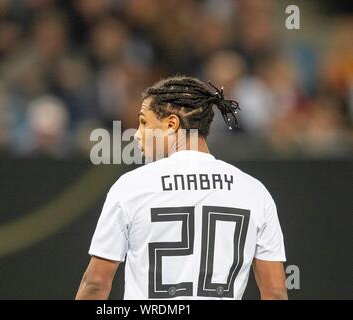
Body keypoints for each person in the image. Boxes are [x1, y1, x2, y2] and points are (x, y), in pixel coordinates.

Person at [76, 76, 287, 300]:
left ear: (171, 124)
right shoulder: (254, 191)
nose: (137, 134)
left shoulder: (132, 186)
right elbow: (275, 292)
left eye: (144, 122)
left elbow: (96, 284)